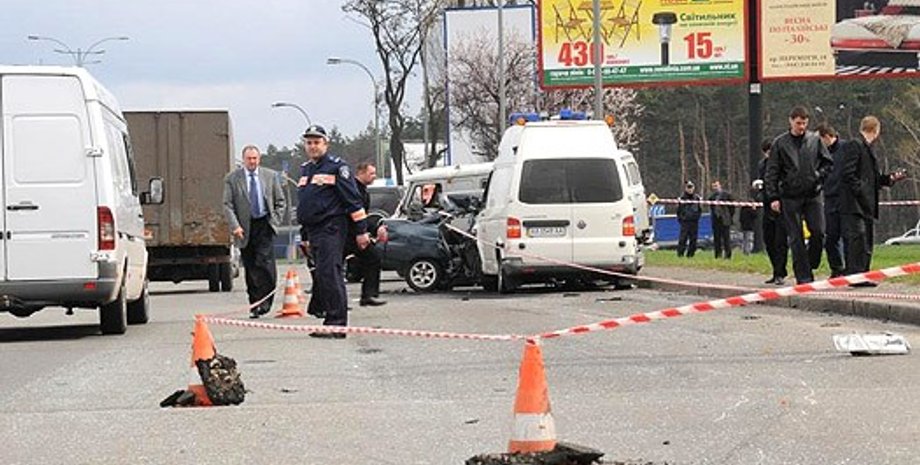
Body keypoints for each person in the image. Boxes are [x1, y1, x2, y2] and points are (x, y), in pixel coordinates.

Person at [297, 124, 370, 339]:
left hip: (331, 228)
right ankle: (329, 317)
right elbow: (306, 206)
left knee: (331, 274)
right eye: (309, 142)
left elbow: (353, 201)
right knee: (322, 275)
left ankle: (337, 324)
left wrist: (361, 231)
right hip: (314, 230)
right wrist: (305, 235)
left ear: (326, 144)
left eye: (317, 142)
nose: (312, 146)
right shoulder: (306, 169)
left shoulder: (337, 168)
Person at [764, 106, 833, 284]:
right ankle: (804, 277)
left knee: (818, 231)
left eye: (804, 123)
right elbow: (772, 172)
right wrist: (773, 197)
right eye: (798, 123)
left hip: (812, 193)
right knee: (796, 238)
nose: (801, 127)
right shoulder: (780, 143)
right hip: (790, 195)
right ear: (791, 121)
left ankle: (812, 261)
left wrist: (818, 176)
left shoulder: (814, 140)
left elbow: (827, 163)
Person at [840, 116, 907, 286]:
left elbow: (874, 179)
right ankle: (855, 276)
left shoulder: (868, 149)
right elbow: (848, 174)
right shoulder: (855, 145)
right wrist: (861, 191)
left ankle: (863, 274)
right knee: (858, 240)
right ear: (876, 130)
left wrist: (890, 178)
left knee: (866, 241)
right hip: (855, 204)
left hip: (867, 204)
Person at [223, 145, 286, 319]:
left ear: (259, 159)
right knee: (251, 267)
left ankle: (265, 301)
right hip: (244, 227)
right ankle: (255, 304)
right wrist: (235, 226)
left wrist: (274, 221)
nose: (252, 162)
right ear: (243, 160)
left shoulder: (270, 176)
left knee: (264, 264)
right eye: (249, 159)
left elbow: (280, 202)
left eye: (255, 158)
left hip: (264, 223)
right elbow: (227, 205)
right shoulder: (232, 179)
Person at [348, 162, 387, 306]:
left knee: (373, 257)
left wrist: (376, 228)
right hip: (345, 234)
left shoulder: (363, 191)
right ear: (361, 173)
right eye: (371, 173)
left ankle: (368, 295)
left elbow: (363, 216)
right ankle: (326, 303)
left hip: (356, 233)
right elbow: (353, 214)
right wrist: (361, 233)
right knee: (333, 267)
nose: (374, 176)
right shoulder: (352, 189)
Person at [817, 123, 847, 278]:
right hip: (829, 198)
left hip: (844, 198)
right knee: (831, 236)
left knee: (848, 235)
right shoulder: (822, 154)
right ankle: (837, 268)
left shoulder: (846, 148)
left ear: (827, 137)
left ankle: (850, 268)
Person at [756, 139, 788, 285]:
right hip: (767, 205)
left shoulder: (783, 164)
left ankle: (780, 272)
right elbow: (763, 183)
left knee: (780, 240)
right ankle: (775, 270)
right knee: (769, 240)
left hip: (781, 205)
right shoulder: (762, 165)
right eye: (767, 152)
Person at [708, 180, 734, 259]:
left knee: (726, 238)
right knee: (717, 238)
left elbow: (732, 207)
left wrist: (729, 216)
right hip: (716, 220)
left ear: (720, 185)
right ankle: (718, 255)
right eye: (713, 186)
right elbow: (711, 208)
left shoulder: (727, 195)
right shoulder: (711, 197)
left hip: (725, 219)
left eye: (716, 186)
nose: (715, 188)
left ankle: (728, 255)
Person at [676, 181, 701, 257]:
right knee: (683, 239)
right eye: (688, 187)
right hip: (685, 221)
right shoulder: (682, 198)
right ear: (686, 188)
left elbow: (699, 209)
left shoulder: (697, 198)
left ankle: (690, 255)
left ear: (694, 188)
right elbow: (678, 210)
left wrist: (697, 217)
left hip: (694, 221)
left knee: (693, 239)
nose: (690, 189)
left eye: (691, 187)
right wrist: (681, 219)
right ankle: (680, 254)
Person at [739, 185, 759, 255]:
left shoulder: (743, 209)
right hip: (750, 226)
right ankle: (748, 251)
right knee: (749, 239)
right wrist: (754, 209)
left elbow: (740, 218)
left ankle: (744, 251)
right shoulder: (750, 210)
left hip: (743, 226)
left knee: (744, 239)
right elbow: (755, 215)